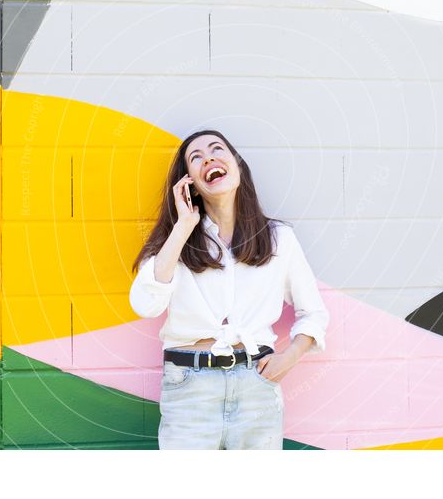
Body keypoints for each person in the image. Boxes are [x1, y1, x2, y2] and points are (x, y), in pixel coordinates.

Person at [129, 129, 329, 450]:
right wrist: (183, 227)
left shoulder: (279, 239)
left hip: (257, 388)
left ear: (237, 165)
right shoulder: (175, 242)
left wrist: (289, 358)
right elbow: (145, 304)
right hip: (190, 388)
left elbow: (314, 314)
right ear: (189, 181)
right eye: (196, 158)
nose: (208, 157)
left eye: (217, 149)